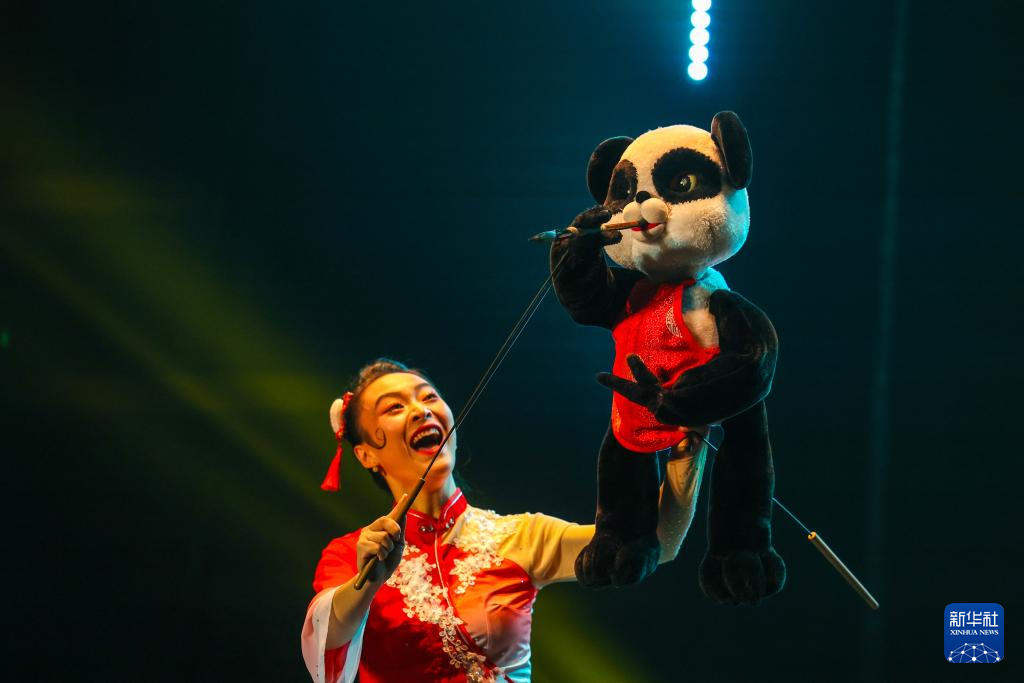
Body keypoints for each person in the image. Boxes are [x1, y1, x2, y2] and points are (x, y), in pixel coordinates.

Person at [300, 358, 708, 683]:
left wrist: (689, 440)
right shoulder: (350, 555)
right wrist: (368, 583)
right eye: (394, 407)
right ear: (366, 454)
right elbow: (325, 644)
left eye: (428, 397)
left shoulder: (521, 535)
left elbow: (652, 542)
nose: (420, 411)